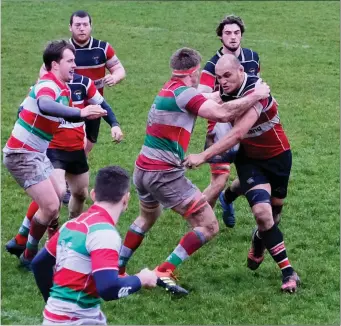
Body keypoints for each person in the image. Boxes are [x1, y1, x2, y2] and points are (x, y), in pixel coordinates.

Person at [117, 47, 270, 295]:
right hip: (164, 175)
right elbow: (221, 114)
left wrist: (225, 94)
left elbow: (209, 99)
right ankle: (163, 271)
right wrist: (256, 95)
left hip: (143, 169)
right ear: (195, 71)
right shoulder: (184, 94)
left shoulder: (170, 88)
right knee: (209, 226)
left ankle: (118, 268)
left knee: (147, 217)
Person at [183, 54, 300, 293]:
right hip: (249, 161)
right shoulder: (225, 89)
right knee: (262, 214)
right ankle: (288, 272)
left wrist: (203, 156)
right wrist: (178, 96)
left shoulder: (258, 90)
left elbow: (237, 133)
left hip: (278, 158)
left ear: (240, 71)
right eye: (219, 77)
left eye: (227, 76)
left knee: (273, 217)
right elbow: (210, 101)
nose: (222, 82)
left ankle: (258, 239)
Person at [2, 40, 107, 268]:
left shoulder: (63, 89)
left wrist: (87, 129)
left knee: (58, 195)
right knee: (50, 206)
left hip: (37, 153)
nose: (74, 66)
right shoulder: (47, 85)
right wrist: (80, 112)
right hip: (21, 154)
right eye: (69, 61)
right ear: (54, 65)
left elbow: (67, 116)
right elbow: (46, 105)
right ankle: (29, 255)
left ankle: (27, 241)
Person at [31, 166, 157, 325]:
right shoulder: (105, 234)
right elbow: (108, 288)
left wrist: (55, 305)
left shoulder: (71, 225)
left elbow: (39, 264)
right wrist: (141, 279)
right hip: (76, 321)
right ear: (126, 199)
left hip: (57, 318)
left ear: (93, 194)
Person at [198, 15, 261, 228]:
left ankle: (227, 200)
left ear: (241, 34)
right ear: (220, 36)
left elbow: (256, 85)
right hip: (220, 125)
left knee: (253, 175)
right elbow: (200, 97)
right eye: (227, 33)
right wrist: (224, 98)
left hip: (249, 123)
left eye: (236, 33)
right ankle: (200, 219)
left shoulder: (252, 58)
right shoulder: (211, 65)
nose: (233, 37)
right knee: (218, 181)